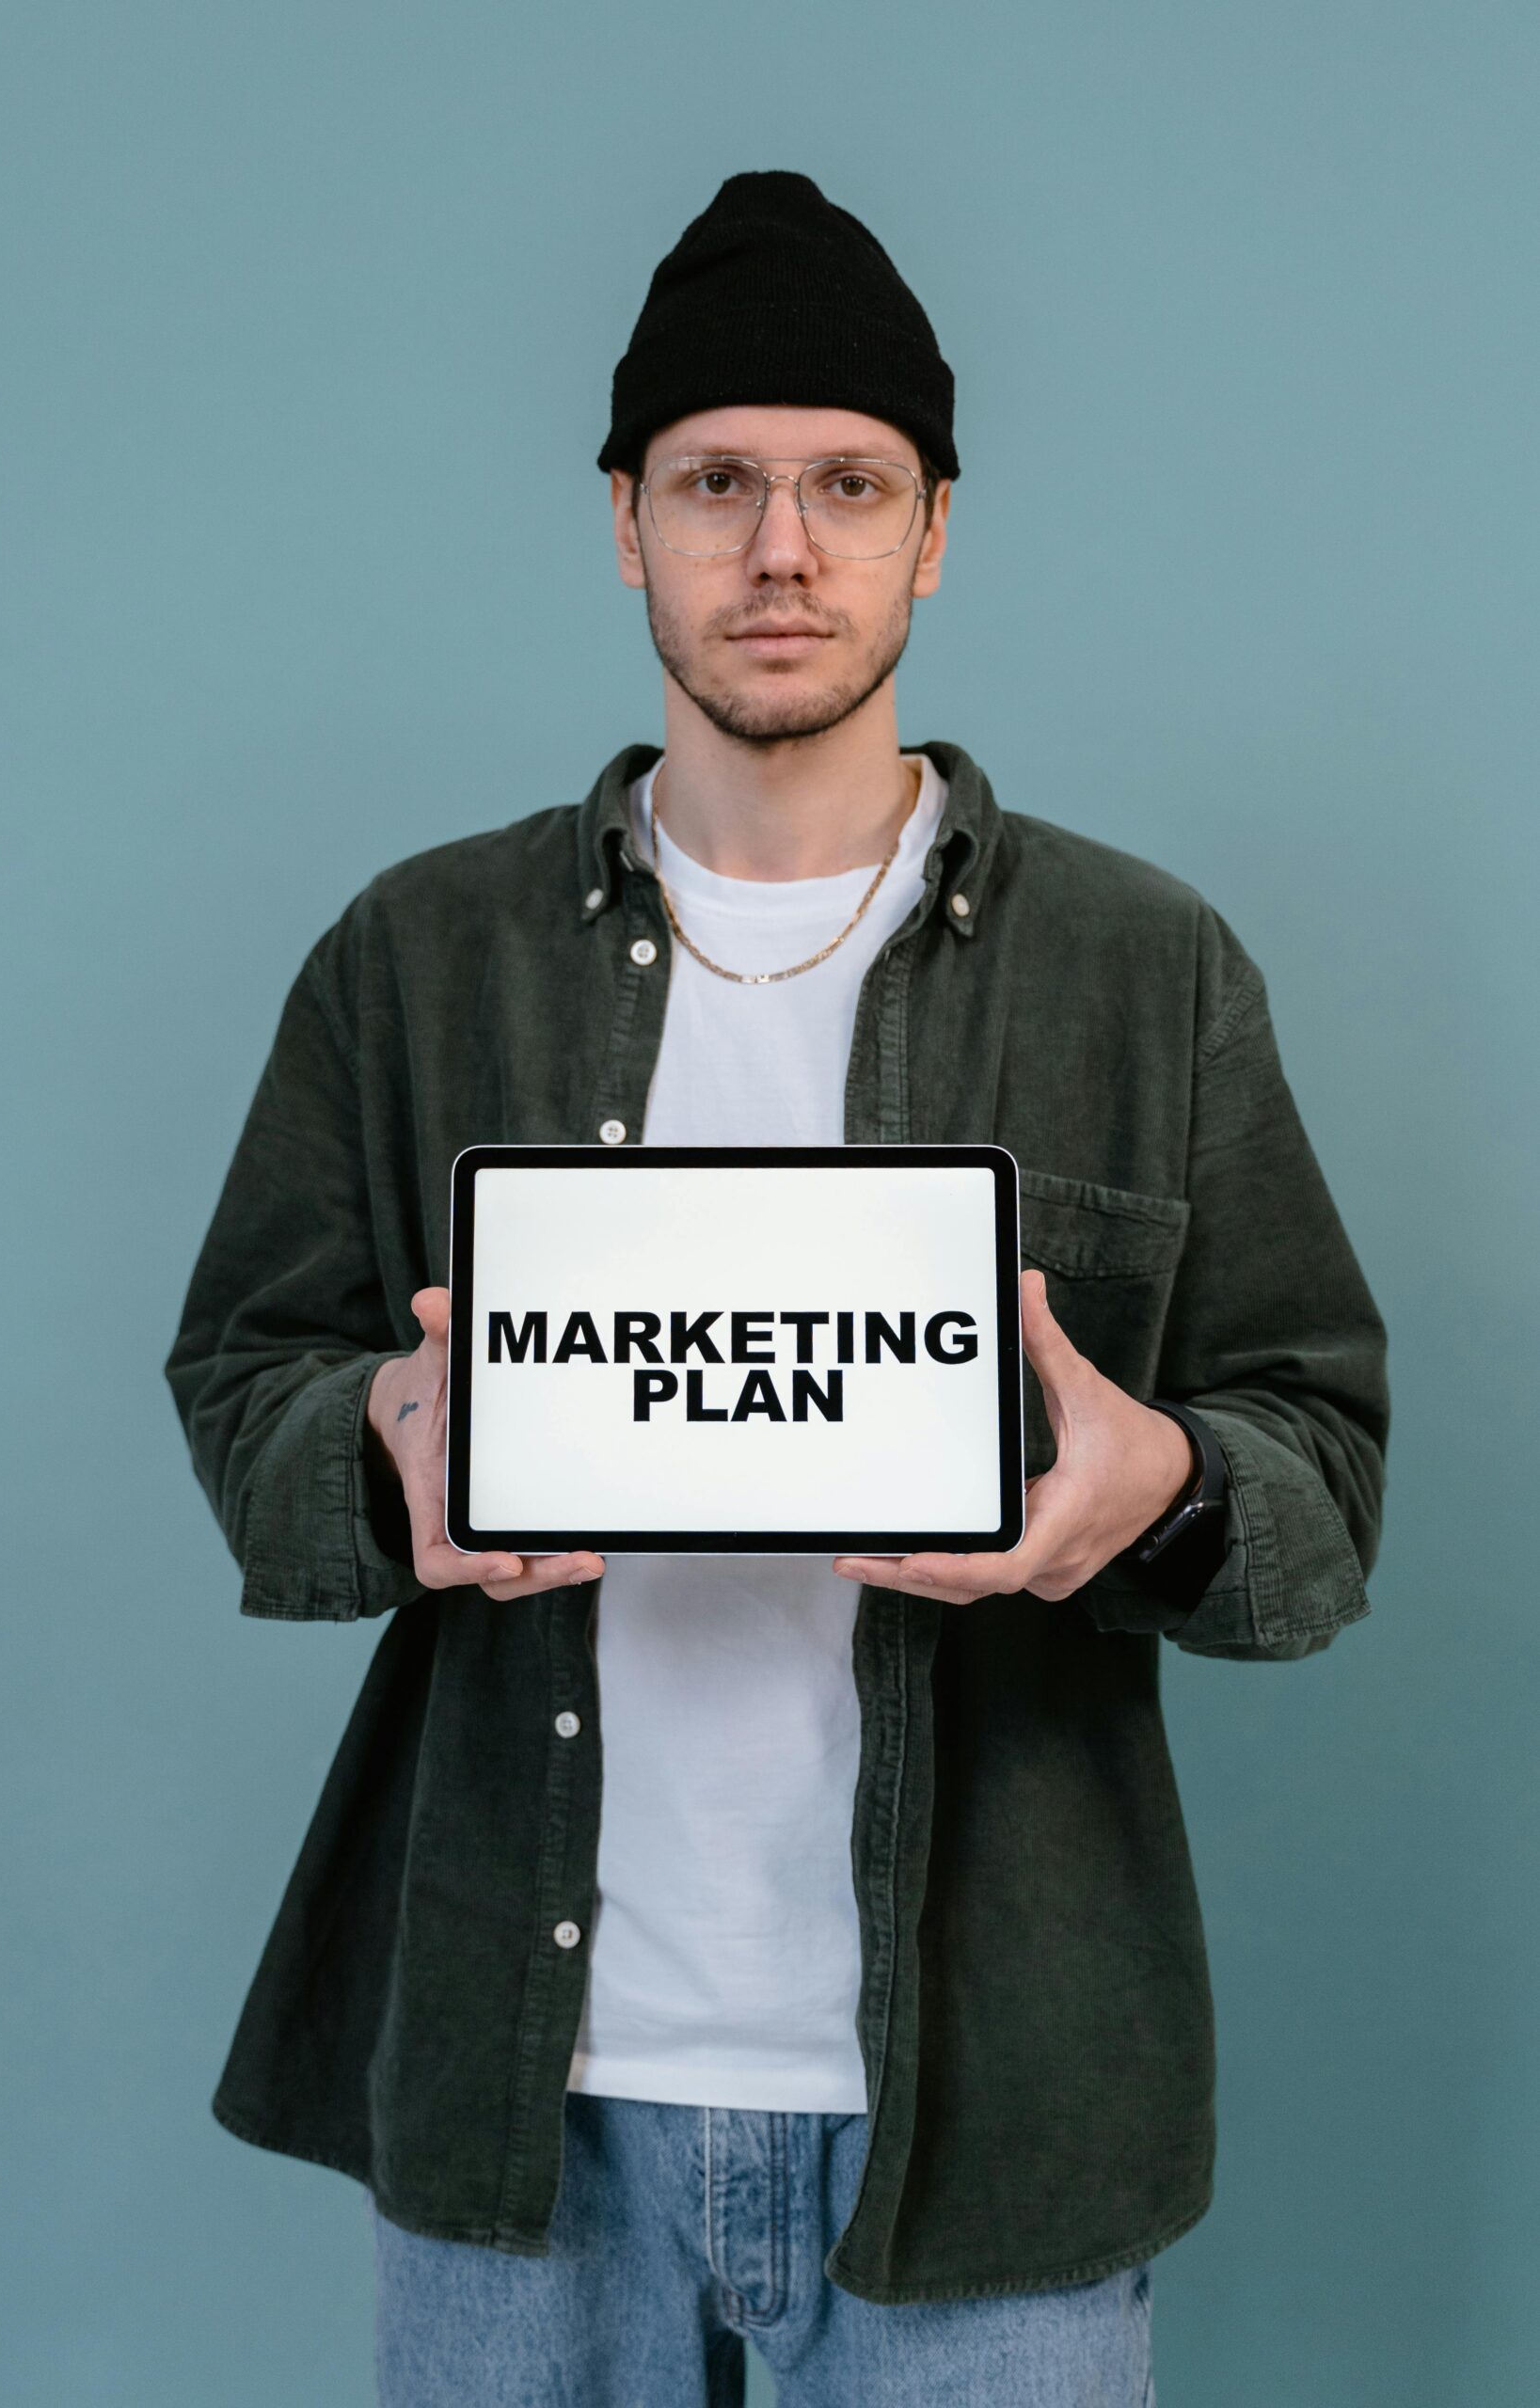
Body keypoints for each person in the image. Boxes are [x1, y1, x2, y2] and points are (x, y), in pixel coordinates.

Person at [165, 170, 1389, 2406]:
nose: (781, 546)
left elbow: (1318, 1474)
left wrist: (1166, 1485)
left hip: (989, 2108)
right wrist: (378, 1445)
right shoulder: (417, 955)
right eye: (715, 482)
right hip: (520, 2100)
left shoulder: (1141, 967)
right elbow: (244, 1367)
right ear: (620, 515)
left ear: (937, 528)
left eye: (849, 484)